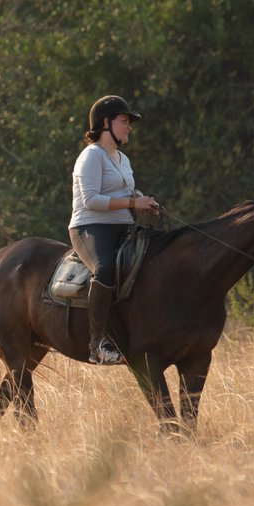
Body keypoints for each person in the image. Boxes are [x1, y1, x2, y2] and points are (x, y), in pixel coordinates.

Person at [69, 95, 159, 365]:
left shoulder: (123, 159)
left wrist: (145, 203)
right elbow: (91, 200)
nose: (129, 127)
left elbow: (128, 193)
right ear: (106, 123)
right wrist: (133, 202)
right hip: (90, 227)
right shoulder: (91, 156)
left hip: (124, 227)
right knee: (105, 268)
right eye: (124, 121)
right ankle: (97, 343)